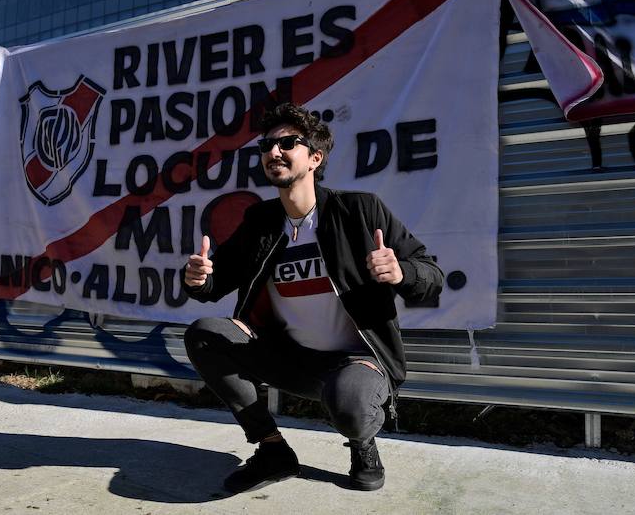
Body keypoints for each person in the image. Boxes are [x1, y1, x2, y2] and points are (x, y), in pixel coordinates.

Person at [182, 102, 443, 493]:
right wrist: (199, 278)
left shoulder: (359, 210)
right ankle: (272, 451)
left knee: (350, 403)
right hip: (289, 357)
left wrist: (402, 272)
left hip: (355, 363)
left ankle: (362, 443)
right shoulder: (261, 222)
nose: (274, 152)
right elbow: (215, 284)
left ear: (314, 157)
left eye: (288, 143)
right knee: (205, 334)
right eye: (267, 145)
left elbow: (432, 275)